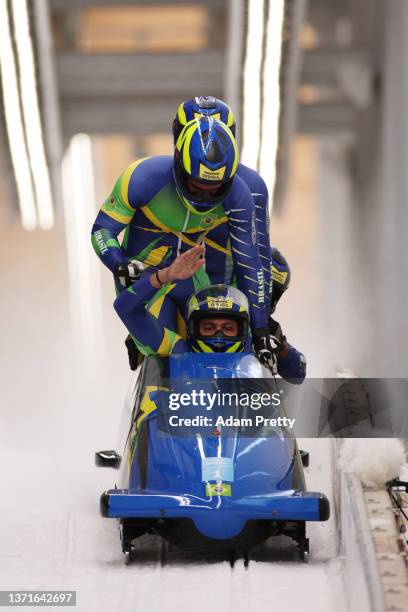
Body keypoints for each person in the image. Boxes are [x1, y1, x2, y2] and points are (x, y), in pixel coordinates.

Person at [92, 116, 274, 364]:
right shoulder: (141, 178)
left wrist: (261, 330)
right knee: (168, 354)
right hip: (145, 281)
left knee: (230, 332)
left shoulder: (240, 195)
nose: (204, 196)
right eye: (196, 186)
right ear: (180, 167)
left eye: (214, 189)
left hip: (191, 277)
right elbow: (103, 230)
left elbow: (251, 263)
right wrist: (120, 265)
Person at [114, 245, 306, 383]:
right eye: (208, 327)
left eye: (229, 328)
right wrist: (140, 334)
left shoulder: (260, 337)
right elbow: (128, 309)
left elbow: (297, 373)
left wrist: (280, 347)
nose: (219, 336)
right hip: (181, 426)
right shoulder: (175, 347)